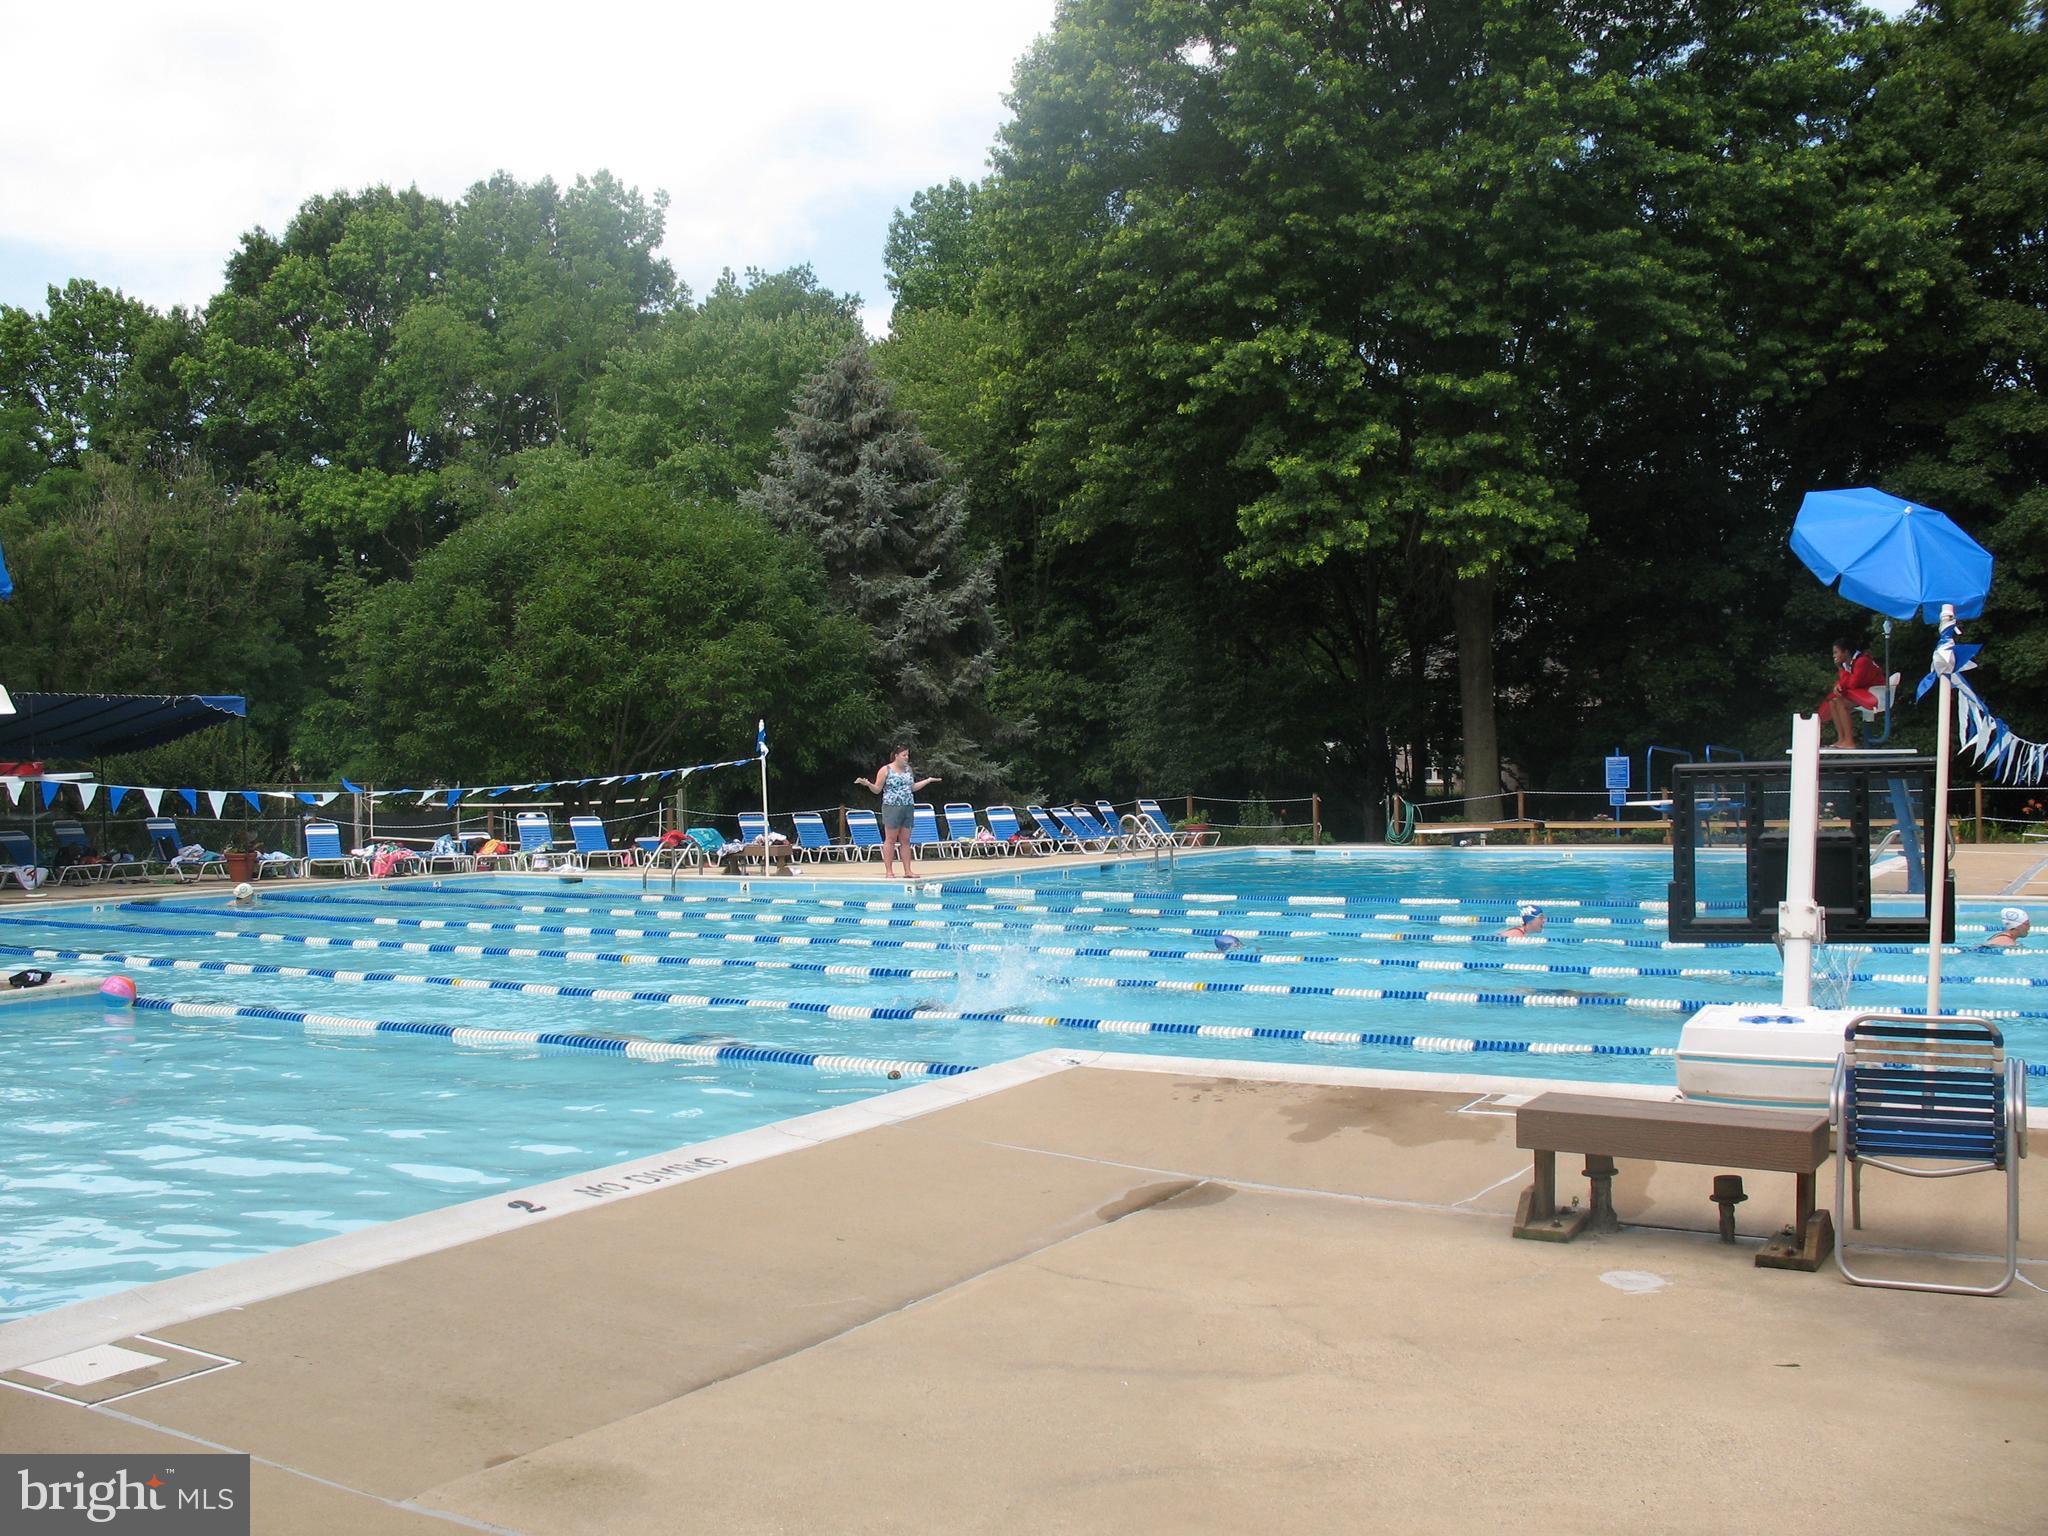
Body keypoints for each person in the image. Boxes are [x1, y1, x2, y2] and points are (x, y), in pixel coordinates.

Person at [856, 746, 941, 878]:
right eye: (904, 755)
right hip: (892, 807)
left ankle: (908, 871)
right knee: (890, 840)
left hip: (907, 807)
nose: (906, 757)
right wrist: (868, 785)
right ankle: (889, 871)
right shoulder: (885, 770)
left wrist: (928, 781)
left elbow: (912, 787)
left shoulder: (908, 770)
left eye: (907, 755)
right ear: (896, 756)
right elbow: (877, 789)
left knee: (906, 840)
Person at [1818, 636, 1886, 749]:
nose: (1834, 656)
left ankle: (1849, 741)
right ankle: (1841, 739)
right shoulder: (1848, 665)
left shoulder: (1862, 661)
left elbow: (1852, 684)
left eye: (1836, 652)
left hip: (1877, 694)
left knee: (1840, 703)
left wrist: (1840, 670)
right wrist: (1838, 685)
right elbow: (1845, 682)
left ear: (1846, 652)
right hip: (1865, 693)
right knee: (1833, 702)